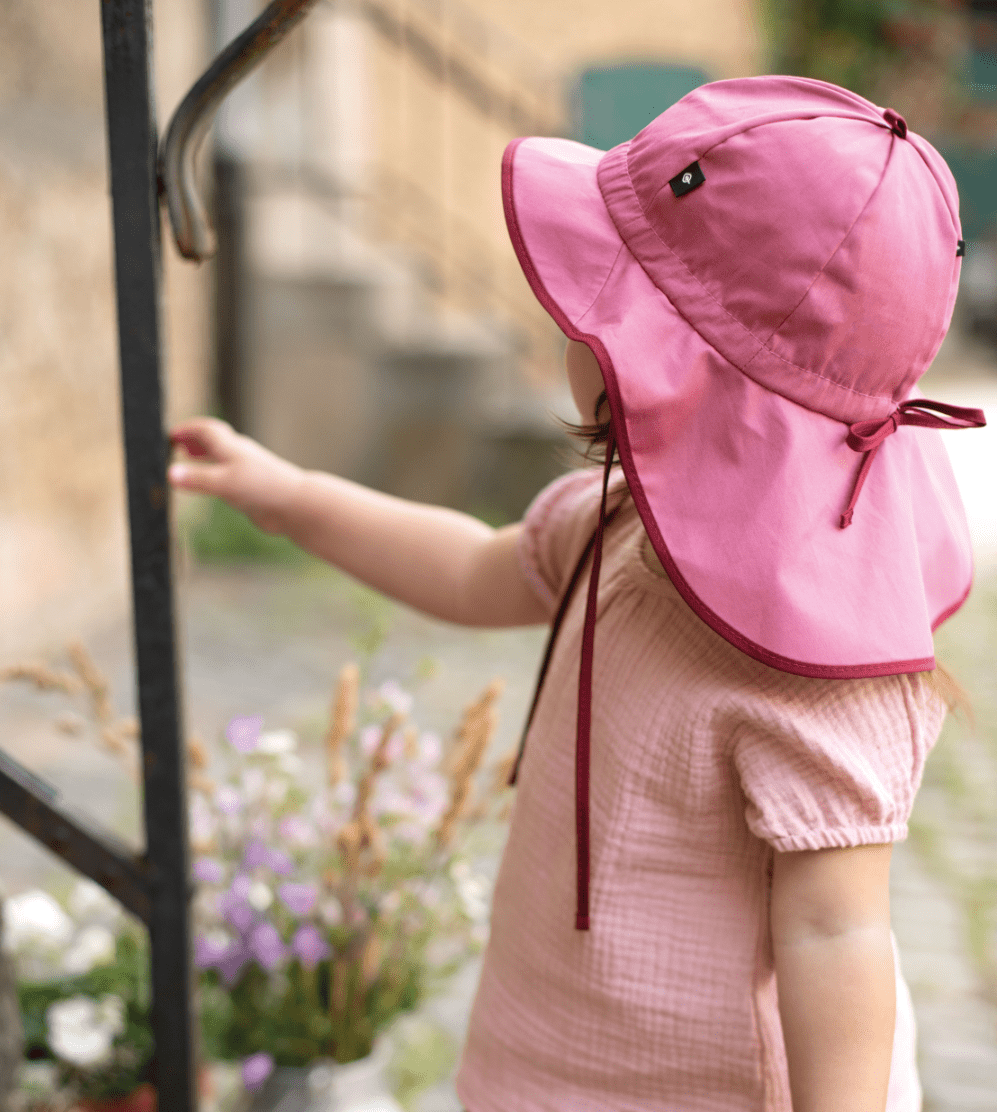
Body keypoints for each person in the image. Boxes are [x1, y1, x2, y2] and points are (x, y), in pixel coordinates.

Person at [169, 76, 986, 1112]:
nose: (569, 322)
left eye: (602, 300)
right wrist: (292, 498)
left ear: (673, 366)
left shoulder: (820, 668)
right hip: (547, 1060)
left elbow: (838, 930)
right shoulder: (626, 527)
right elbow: (475, 566)